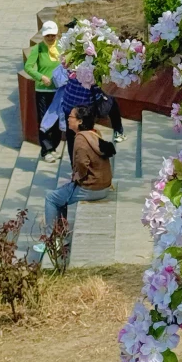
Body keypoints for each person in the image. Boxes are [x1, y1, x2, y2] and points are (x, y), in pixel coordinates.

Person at [31, 106, 113, 259]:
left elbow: (82, 163)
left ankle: (51, 240)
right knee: (60, 198)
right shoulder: (94, 134)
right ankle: (61, 236)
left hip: (91, 188)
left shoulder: (80, 140)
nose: (68, 119)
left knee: (51, 198)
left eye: (71, 117)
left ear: (80, 121)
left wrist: (77, 177)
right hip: (103, 186)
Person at [24, 22, 61, 158]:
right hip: (43, 91)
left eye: (53, 35)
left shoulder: (61, 47)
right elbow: (28, 67)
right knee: (45, 120)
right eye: (48, 36)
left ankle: (54, 147)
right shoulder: (38, 49)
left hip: (58, 90)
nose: (51, 38)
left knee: (57, 120)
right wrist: (41, 77)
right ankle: (46, 149)